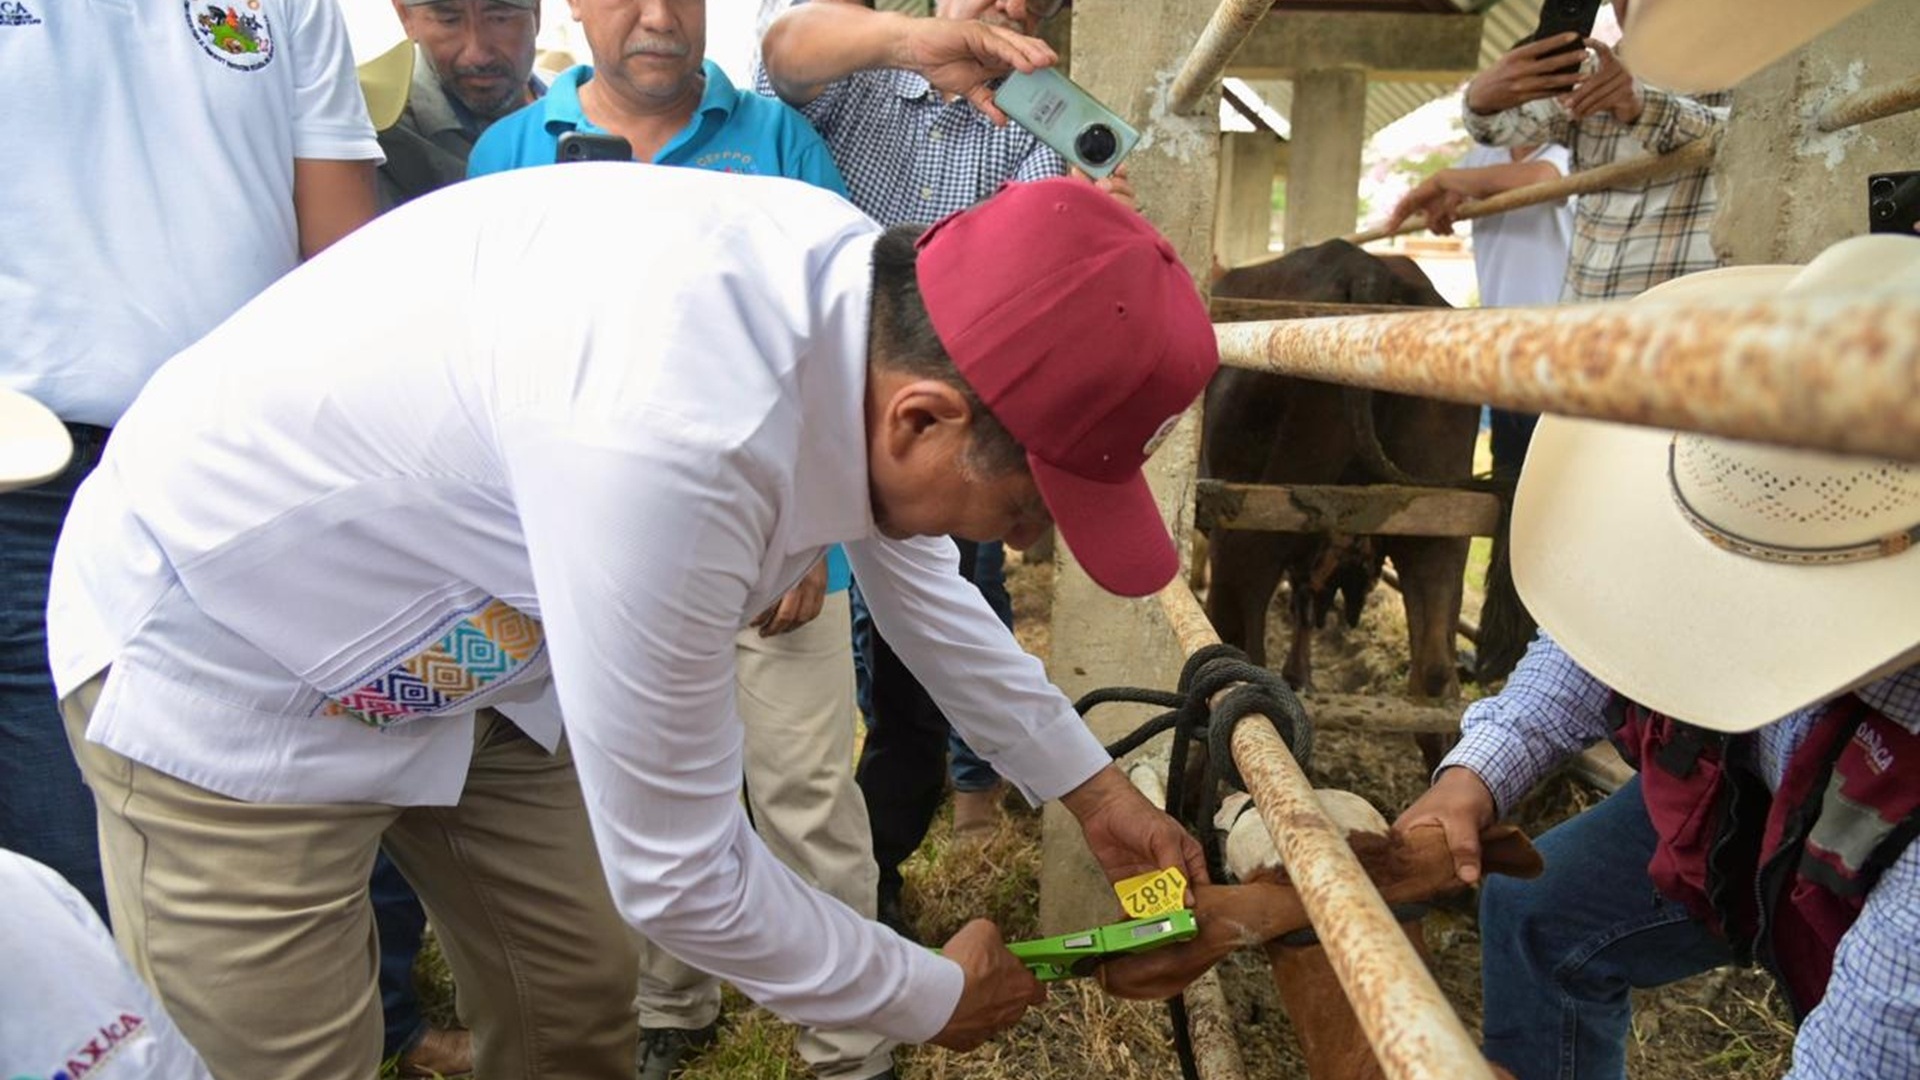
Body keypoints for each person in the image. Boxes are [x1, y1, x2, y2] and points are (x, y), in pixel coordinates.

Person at [46, 168, 1214, 1080]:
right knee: (290, 1062)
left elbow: (920, 585)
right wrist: (921, 997)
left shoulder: (862, 303)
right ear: (920, 421)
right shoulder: (674, 440)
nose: (1022, 546)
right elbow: (683, 880)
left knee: (572, 1005)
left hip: (486, 651)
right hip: (237, 656)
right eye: (1024, 510)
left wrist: (1095, 797)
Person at [467, 5, 885, 1076]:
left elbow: (841, 340)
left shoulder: (780, 140)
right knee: (636, 787)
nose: (657, 15)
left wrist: (818, 548)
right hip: (606, 558)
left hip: (780, 541)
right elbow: (491, 354)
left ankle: (851, 1039)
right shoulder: (511, 150)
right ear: (574, 7)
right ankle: (669, 1005)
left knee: (806, 790)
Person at [1395, 239, 1920, 1079]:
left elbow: (1860, 1055)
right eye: (1718, 553)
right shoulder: (1795, 485)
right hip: (1763, 799)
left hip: (1867, 842)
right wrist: (1474, 775)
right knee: (1538, 904)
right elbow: (1617, 611)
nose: (1714, 586)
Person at [0, 0, 379, 927]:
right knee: (73, 827)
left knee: (305, 780)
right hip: (28, 464)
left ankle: (384, 1026)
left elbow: (341, 253)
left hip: (248, 459)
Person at [758, 0, 1131, 928]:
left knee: (938, 622)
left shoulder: (1041, 126)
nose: (1010, 6)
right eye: (1029, 512)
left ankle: (906, 840)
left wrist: (1101, 798)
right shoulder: (862, 63)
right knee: (824, 689)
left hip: (927, 428)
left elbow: (936, 607)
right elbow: (783, 52)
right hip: (859, 421)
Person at [1459, 1, 1725, 305]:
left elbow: (1734, 137)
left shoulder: (1752, 70)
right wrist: (1481, 99)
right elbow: (1500, 129)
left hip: (1686, 325)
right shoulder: (1592, 73)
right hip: (1586, 324)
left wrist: (1640, 103)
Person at [1386, 142, 1572, 476]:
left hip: (1556, 345)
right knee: (1508, 465)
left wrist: (1447, 180)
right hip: (1500, 341)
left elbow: (1542, 177)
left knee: (1551, 471)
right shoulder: (1485, 156)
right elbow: (1455, 191)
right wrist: (1448, 194)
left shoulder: (1570, 147)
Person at [373, 0, 546, 209]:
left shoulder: (583, 106)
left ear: (536, 11)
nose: (478, 55)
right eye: (449, 21)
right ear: (405, 15)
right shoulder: (378, 144)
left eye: (500, 18)